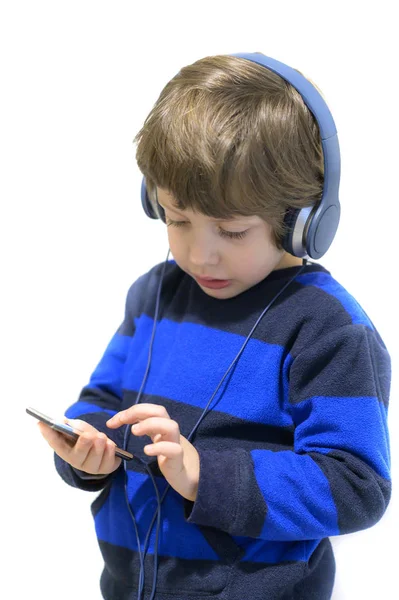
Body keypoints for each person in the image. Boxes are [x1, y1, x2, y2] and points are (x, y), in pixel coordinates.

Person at [38, 53, 392, 600]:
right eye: (178, 219)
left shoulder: (328, 330)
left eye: (231, 230)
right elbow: (103, 398)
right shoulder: (154, 294)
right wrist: (88, 448)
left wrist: (208, 476)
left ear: (302, 221)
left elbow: (357, 486)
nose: (200, 254)